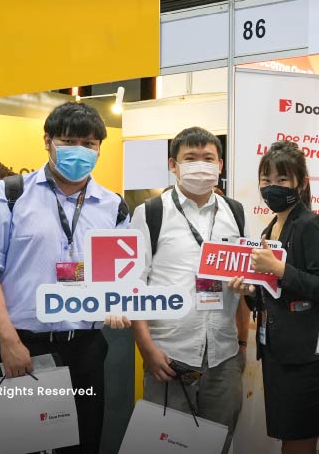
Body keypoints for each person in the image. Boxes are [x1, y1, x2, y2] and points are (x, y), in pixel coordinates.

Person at [0, 102, 129, 454]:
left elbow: (117, 275)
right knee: (16, 446)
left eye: (89, 144)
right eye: (69, 142)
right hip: (21, 345)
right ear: (47, 141)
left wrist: (119, 301)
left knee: (82, 444)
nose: (80, 151)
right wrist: (9, 341)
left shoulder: (113, 206)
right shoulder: (10, 194)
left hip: (84, 348)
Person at [129, 127, 248, 454]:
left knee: (219, 444)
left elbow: (241, 284)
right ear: (173, 164)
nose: (200, 166)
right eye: (190, 158)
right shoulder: (151, 213)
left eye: (208, 158)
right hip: (169, 357)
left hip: (224, 356)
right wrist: (146, 349)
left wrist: (242, 344)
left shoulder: (235, 212)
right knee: (168, 446)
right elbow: (135, 286)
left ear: (220, 165)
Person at [227, 140, 319, 453]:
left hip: (308, 357)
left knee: (298, 443)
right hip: (277, 354)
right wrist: (250, 292)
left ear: (301, 183)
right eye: (266, 180)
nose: (272, 186)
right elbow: (271, 294)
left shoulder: (312, 225)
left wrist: (279, 269)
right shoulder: (269, 230)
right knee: (289, 439)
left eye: (282, 179)